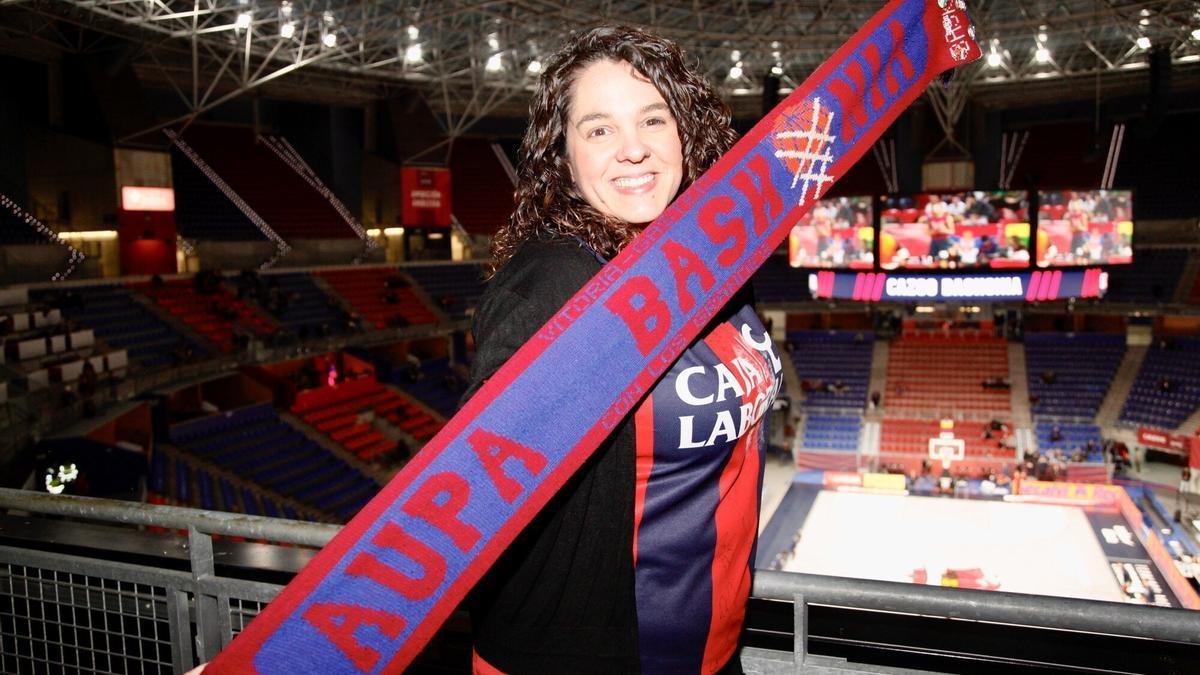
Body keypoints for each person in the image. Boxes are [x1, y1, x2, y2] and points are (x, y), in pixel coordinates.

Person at [463, 25, 779, 674]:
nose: (633, 149)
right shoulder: (555, 284)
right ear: (565, 157)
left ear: (686, 134)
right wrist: (292, 653)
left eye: (653, 119)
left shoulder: (715, 258)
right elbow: (462, 489)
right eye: (598, 129)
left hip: (709, 655)